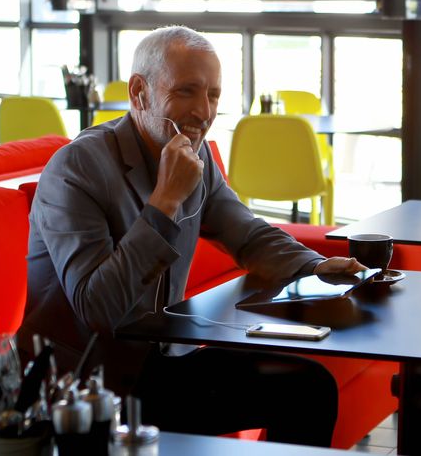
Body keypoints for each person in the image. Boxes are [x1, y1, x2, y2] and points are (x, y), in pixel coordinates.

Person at [19, 25, 365, 447]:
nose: (204, 111)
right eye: (187, 91)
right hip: (85, 391)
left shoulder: (194, 153)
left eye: (214, 95)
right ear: (139, 92)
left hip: (161, 369)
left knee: (307, 388)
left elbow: (248, 234)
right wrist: (164, 201)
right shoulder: (76, 169)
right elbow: (99, 309)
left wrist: (316, 266)